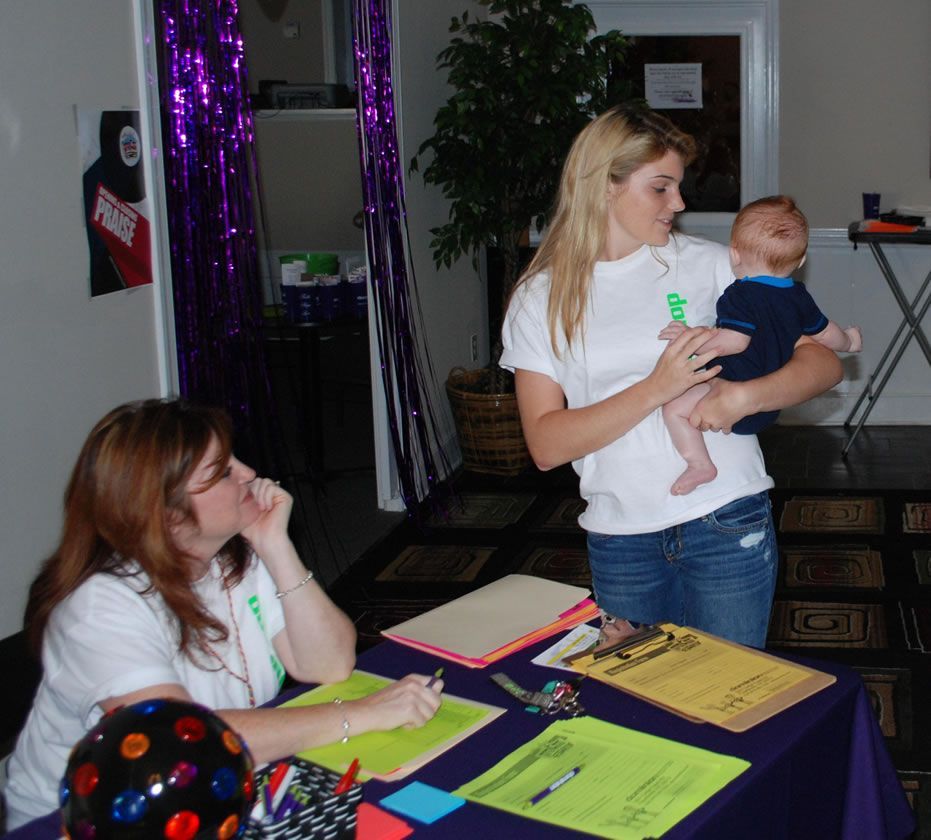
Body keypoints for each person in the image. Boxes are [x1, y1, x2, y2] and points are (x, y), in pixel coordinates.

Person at [4, 399, 443, 829]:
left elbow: (328, 662)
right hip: (85, 821)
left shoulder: (231, 559)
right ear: (167, 513)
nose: (249, 474)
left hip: (216, 789)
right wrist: (360, 714)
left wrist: (276, 545)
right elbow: (181, 744)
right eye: (223, 472)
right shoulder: (99, 609)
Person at [500, 106, 842, 650]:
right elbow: (545, 445)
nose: (679, 204)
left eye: (678, 187)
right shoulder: (542, 297)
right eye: (661, 187)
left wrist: (745, 395)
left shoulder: (715, 265)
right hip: (621, 536)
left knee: (729, 702)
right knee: (641, 715)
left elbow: (824, 362)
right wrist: (657, 388)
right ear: (604, 186)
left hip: (727, 518)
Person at [659, 195, 862, 495]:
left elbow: (735, 342)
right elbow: (825, 334)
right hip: (768, 406)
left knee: (674, 409)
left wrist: (692, 337)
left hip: (727, 387)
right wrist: (850, 340)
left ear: (735, 255)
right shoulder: (798, 297)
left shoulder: (739, 295)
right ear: (801, 260)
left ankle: (700, 464)